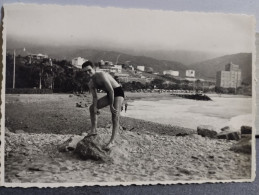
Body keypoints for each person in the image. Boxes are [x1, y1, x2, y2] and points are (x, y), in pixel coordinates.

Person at [82, 61, 124, 149]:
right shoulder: (91, 83)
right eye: (85, 71)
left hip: (117, 92)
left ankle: (112, 141)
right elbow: (95, 97)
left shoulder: (101, 75)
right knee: (91, 108)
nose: (87, 73)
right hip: (110, 94)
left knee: (115, 116)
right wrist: (95, 107)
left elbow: (111, 90)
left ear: (94, 69)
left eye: (89, 70)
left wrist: (111, 106)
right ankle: (93, 130)